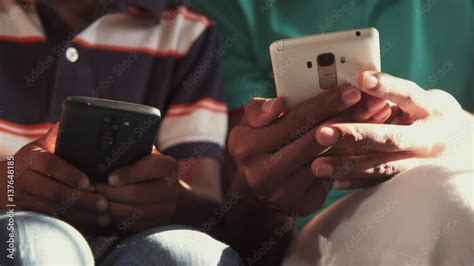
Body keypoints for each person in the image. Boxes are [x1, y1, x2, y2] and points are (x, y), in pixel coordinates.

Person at [191, 0, 474, 265]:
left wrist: (461, 129)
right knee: (456, 205)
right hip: (319, 232)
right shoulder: (227, 10)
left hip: (453, 186)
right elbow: (241, 209)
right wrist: (259, 198)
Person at [0, 0, 241, 265]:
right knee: (29, 244)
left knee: (189, 256)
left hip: (138, 236)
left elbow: (206, 203)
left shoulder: (186, 33)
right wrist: (7, 184)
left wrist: (168, 199)